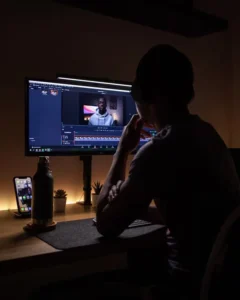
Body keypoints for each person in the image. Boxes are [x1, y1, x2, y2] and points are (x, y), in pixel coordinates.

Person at [96, 44, 240, 298]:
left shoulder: (157, 150)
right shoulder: (209, 134)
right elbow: (195, 214)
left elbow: (105, 223)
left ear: (145, 94)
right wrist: (133, 204)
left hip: (183, 286)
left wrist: (122, 149)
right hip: (220, 285)